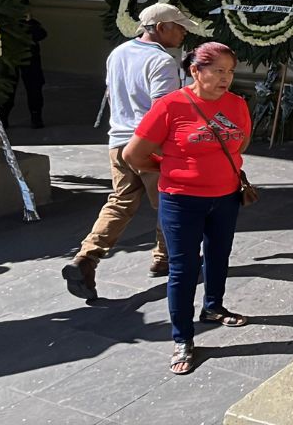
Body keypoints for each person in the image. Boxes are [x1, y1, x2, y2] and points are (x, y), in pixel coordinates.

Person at [124, 41, 251, 375]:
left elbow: (241, 143)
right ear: (196, 70)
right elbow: (133, 155)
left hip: (226, 196)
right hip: (181, 201)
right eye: (218, 70)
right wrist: (171, 168)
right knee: (182, 269)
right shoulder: (171, 105)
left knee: (219, 254)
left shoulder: (237, 104)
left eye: (230, 71)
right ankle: (182, 338)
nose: (226, 78)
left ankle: (213, 307)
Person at [62, 3, 194, 300]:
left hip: (118, 140)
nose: (184, 31)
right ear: (161, 28)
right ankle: (169, 258)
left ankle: (86, 257)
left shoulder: (117, 53)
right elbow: (164, 111)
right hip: (149, 144)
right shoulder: (162, 61)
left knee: (121, 202)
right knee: (169, 203)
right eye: (179, 26)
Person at [2, 3, 47, 129]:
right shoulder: (5, 24)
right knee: (8, 88)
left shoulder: (32, 24)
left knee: (34, 88)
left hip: (30, 60)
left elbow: (41, 34)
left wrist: (29, 22)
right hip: (11, 59)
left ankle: (36, 117)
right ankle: (3, 117)